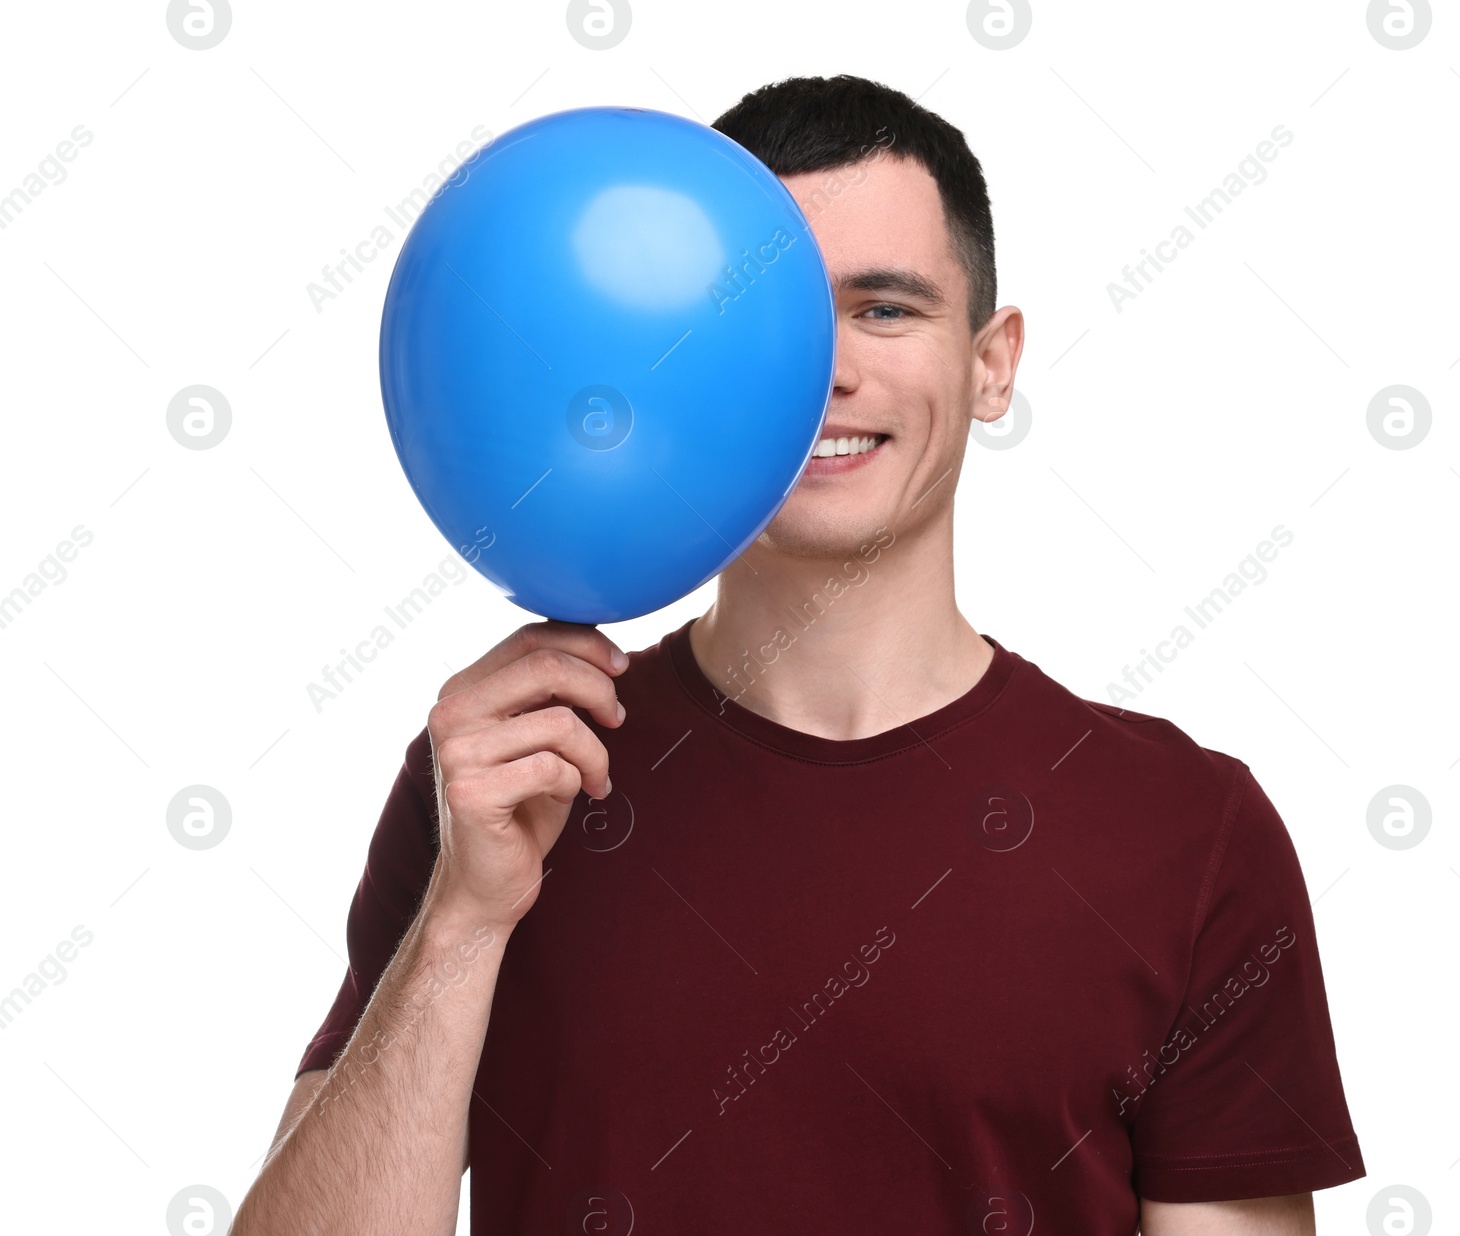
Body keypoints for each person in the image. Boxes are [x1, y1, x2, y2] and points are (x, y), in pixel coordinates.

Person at [232, 74, 1364, 1235]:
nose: (821, 372)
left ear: (991, 363)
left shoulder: (1183, 832)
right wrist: (464, 922)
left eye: (883, 309)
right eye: (759, 319)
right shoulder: (507, 779)